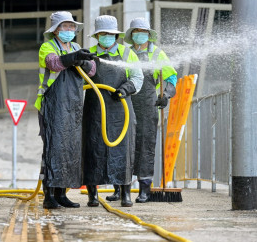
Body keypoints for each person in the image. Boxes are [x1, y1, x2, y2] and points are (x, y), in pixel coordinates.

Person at [106, 17, 177, 203]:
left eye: (143, 32)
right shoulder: (125, 53)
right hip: (126, 102)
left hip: (147, 104)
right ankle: (118, 187)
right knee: (122, 143)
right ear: (131, 35)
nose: (140, 35)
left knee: (145, 145)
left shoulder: (157, 55)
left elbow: (171, 77)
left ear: (148, 34)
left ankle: (145, 189)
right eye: (136, 32)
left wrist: (166, 95)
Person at [34, 11, 96, 209]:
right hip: (52, 105)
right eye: (65, 26)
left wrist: (84, 60)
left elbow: (92, 70)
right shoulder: (47, 47)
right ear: (56, 30)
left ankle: (62, 194)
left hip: (73, 107)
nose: (69, 30)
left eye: (71, 26)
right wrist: (73, 58)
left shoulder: (77, 47)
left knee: (70, 150)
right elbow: (53, 63)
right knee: (53, 149)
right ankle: (48, 195)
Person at [82, 15, 143, 207]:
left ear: (116, 35)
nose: (106, 37)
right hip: (95, 110)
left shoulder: (127, 54)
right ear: (97, 35)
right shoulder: (88, 54)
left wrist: (125, 89)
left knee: (123, 151)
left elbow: (137, 77)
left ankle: (125, 194)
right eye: (102, 34)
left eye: (110, 34)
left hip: (121, 109)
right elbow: (80, 80)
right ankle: (92, 195)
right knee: (93, 149)